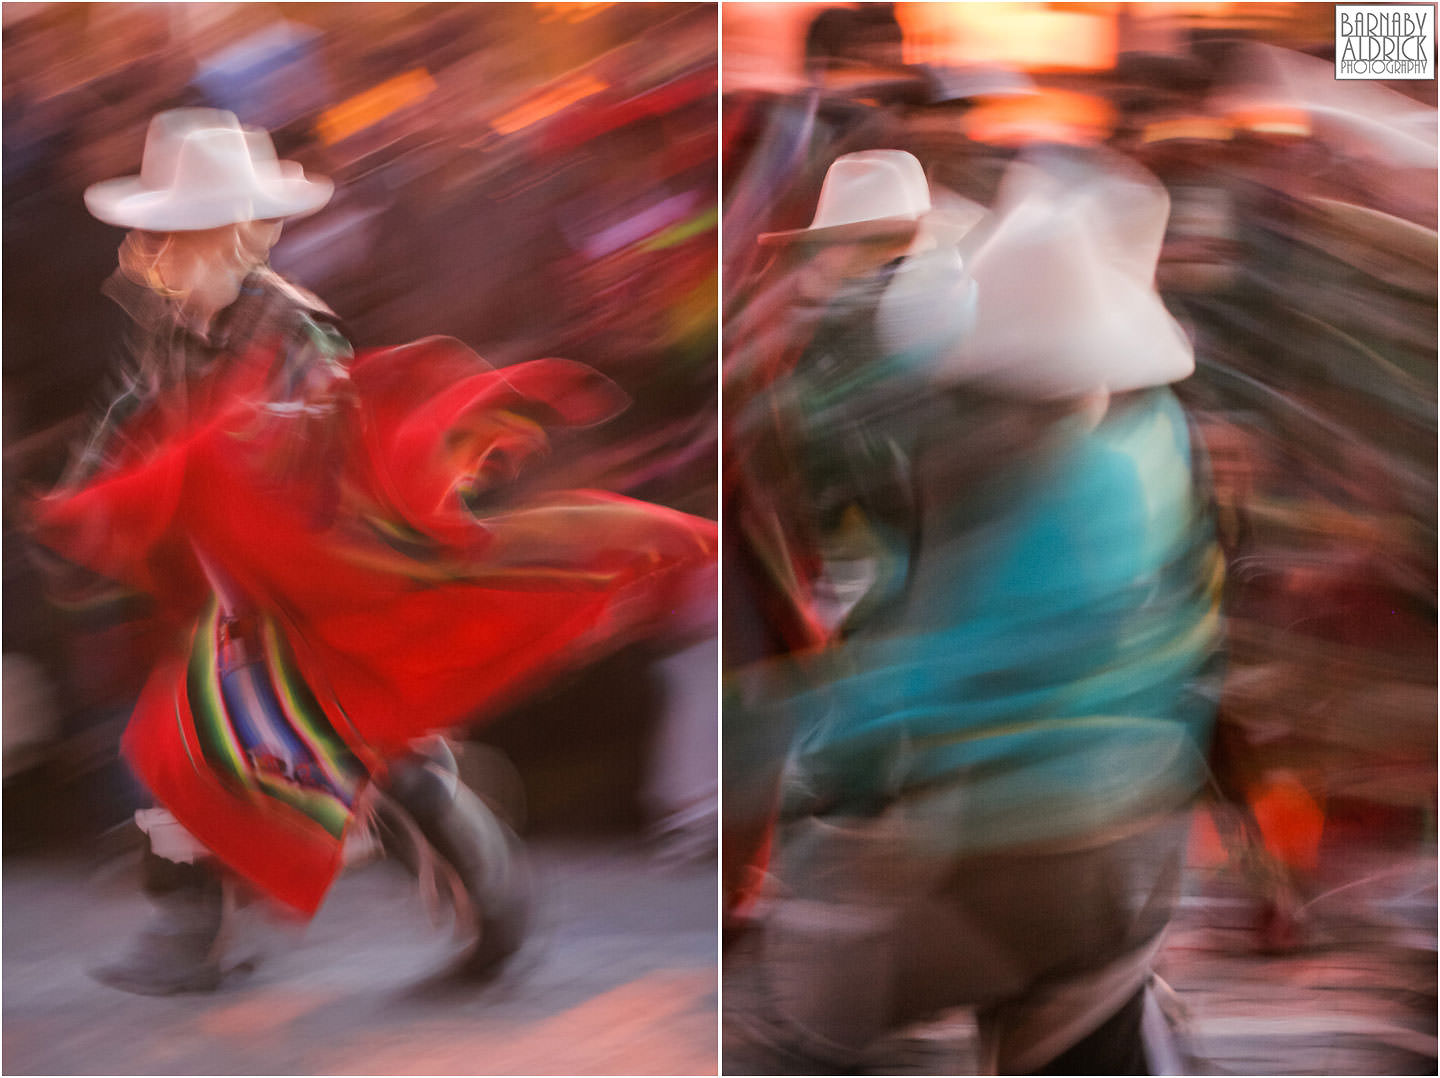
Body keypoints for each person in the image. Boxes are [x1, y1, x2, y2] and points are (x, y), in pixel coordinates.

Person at [31, 108, 717, 996]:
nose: (166, 246)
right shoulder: (168, 321)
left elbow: (304, 452)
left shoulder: (289, 326)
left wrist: (206, 478)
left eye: (187, 229)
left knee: (330, 745)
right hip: (239, 584)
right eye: (164, 230)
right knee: (215, 737)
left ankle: (481, 907)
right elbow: (138, 420)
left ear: (242, 231)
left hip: (319, 574)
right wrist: (91, 501)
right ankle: (202, 929)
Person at [723, 148, 1223, 1074]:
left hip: (998, 852)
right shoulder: (1152, 449)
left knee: (797, 1024)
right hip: (1142, 842)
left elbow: (917, 674)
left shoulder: (974, 466)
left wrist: (824, 758)